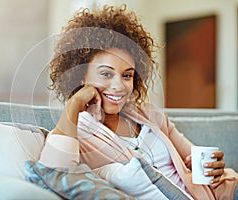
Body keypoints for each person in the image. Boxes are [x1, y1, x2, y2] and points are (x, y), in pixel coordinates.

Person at [38, 4, 238, 199]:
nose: (119, 86)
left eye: (127, 75)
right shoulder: (76, 131)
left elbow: (194, 159)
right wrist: (74, 104)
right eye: (106, 73)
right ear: (80, 75)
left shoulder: (147, 114)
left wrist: (214, 167)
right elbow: (54, 175)